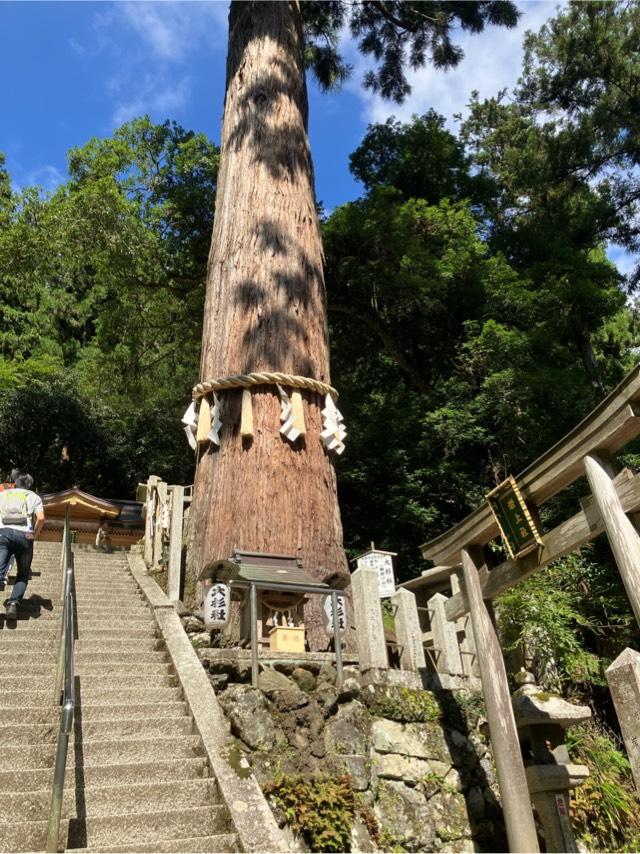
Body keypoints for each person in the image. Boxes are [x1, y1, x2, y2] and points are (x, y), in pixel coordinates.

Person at [0, 472, 45, 619]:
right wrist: (34, 534)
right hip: (25, 536)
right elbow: (41, 518)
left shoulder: (3, 494)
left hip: (3, 533)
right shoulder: (34, 497)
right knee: (23, 573)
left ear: (14, 483)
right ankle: (13, 603)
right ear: (29, 484)